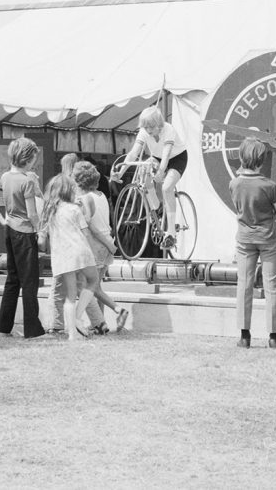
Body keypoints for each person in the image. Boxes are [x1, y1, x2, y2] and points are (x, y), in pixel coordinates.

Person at [0, 137, 46, 339]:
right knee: (30, 283)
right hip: (26, 234)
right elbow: (32, 213)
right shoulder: (28, 181)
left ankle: (3, 328)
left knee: (12, 280)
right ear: (28, 159)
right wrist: (41, 231)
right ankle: (33, 330)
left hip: (10, 230)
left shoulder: (6, 177)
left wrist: (3, 220)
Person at [230, 138, 276, 349]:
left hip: (244, 238)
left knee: (244, 284)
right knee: (272, 286)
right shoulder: (270, 186)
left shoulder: (234, 183)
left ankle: (244, 336)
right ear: (262, 160)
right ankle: (273, 337)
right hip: (268, 237)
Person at [111, 106, 187, 252]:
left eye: (151, 127)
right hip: (158, 157)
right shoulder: (144, 131)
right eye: (145, 127)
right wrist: (120, 172)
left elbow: (166, 154)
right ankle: (157, 207)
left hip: (177, 158)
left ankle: (171, 233)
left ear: (159, 124)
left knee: (166, 187)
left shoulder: (168, 130)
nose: (148, 130)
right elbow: (133, 154)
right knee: (142, 170)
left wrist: (161, 171)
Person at [39, 175, 100, 341]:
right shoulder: (74, 209)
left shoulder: (49, 211)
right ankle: (78, 318)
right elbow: (86, 232)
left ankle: (72, 332)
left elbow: (42, 239)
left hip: (62, 255)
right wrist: (94, 251)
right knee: (93, 281)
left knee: (70, 295)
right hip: (80, 251)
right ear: (68, 190)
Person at [73, 160, 130, 333]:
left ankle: (118, 309)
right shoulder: (101, 196)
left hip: (95, 245)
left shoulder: (83, 200)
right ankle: (99, 323)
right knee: (97, 285)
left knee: (89, 286)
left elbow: (90, 226)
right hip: (106, 243)